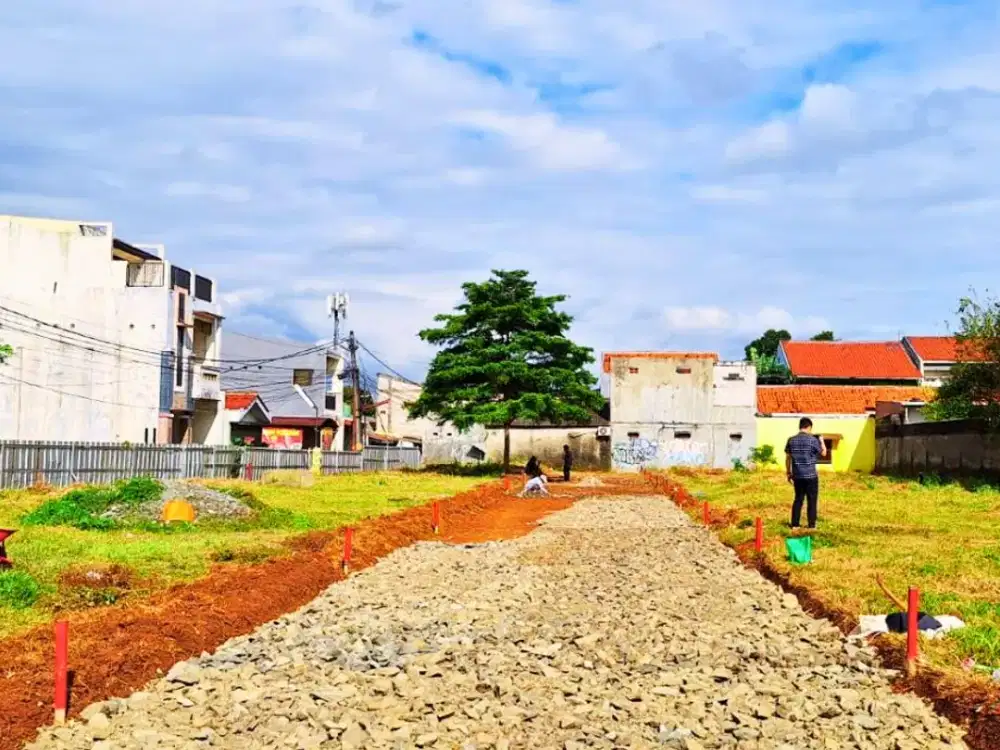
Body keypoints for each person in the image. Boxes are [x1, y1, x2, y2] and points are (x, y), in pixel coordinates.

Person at [785, 417, 827, 529]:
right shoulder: (813, 440)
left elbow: (788, 458)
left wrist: (788, 473)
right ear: (809, 427)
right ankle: (811, 525)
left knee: (798, 499)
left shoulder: (791, 440)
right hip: (811, 476)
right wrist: (821, 440)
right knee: (812, 500)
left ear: (800, 426)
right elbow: (823, 453)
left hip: (797, 476)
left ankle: (795, 524)